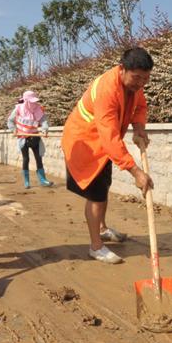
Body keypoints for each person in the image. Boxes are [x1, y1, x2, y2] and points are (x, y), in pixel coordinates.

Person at [62, 47, 154, 264]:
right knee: (96, 195)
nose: (141, 83)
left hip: (102, 144)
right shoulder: (107, 90)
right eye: (137, 78)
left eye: (145, 79)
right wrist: (136, 172)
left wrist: (139, 127)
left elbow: (140, 106)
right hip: (85, 143)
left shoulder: (134, 85)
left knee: (103, 187)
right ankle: (96, 247)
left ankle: (102, 229)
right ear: (122, 69)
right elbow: (110, 139)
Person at [6, 90, 53, 189]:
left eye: (34, 101)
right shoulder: (18, 108)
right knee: (26, 159)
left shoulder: (38, 108)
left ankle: (43, 180)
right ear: (26, 101)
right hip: (23, 137)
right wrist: (14, 130)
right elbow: (10, 121)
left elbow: (43, 120)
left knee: (39, 158)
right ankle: (27, 181)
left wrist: (45, 130)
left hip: (35, 136)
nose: (33, 103)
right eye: (31, 101)